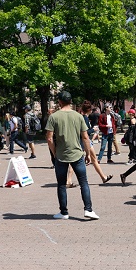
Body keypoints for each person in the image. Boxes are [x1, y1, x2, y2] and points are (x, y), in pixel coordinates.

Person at [45, 91, 99, 220]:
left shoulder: (54, 117)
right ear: (71, 101)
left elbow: (49, 138)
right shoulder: (78, 116)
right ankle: (88, 210)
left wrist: (54, 153)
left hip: (61, 154)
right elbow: (85, 137)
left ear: (59, 101)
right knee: (83, 182)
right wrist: (87, 153)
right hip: (77, 153)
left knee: (61, 184)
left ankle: (64, 212)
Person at [80, 101, 113, 184]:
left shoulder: (82, 117)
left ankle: (103, 177)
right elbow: (85, 132)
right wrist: (93, 129)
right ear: (88, 110)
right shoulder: (85, 118)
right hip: (85, 140)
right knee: (91, 159)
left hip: (84, 140)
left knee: (90, 159)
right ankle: (103, 177)